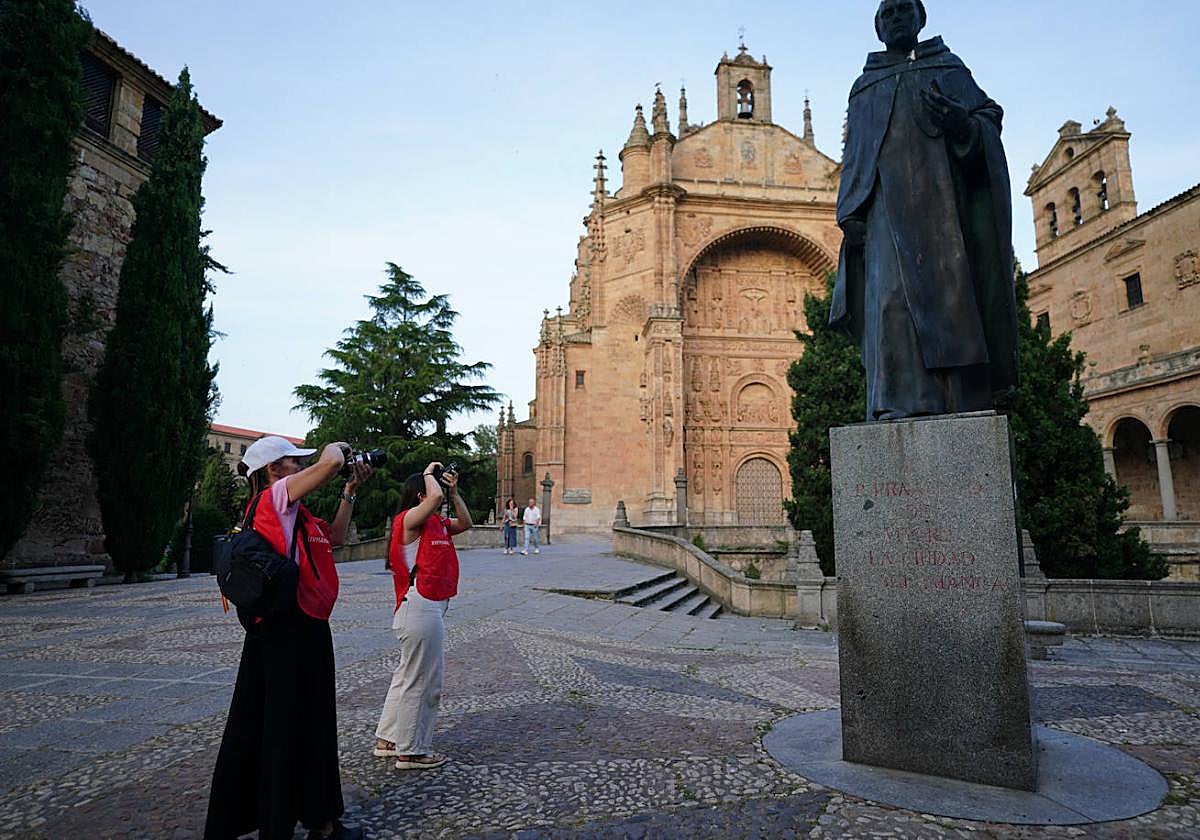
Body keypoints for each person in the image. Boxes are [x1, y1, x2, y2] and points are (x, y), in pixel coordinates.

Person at [830, 0, 1018, 421]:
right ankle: (898, 402)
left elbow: (987, 119)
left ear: (921, 18)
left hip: (943, 210)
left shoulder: (949, 69)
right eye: (888, 13)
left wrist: (962, 124)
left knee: (954, 302)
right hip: (883, 217)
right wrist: (850, 214)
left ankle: (961, 399)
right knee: (890, 307)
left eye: (904, 10)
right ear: (878, 28)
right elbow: (855, 156)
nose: (897, 18)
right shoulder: (865, 86)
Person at [205, 436, 371, 840]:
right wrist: (338, 450)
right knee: (287, 726)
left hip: (305, 626)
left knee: (306, 722)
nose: (299, 468)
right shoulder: (273, 499)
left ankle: (319, 818)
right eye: (293, 463)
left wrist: (349, 492)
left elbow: (335, 539)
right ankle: (293, 822)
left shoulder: (296, 512)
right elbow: (330, 462)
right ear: (273, 470)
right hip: (286, 628)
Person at [374, 462, 472, 770]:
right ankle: (412, 751)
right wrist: (430, 475)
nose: (439, 495)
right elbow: (432, 500)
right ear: (420, 494)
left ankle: (388, 740)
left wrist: (454, 492)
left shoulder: (438, 523)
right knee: (424, 680)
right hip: (419, 605)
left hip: (427, 607)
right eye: (433, 490)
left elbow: (466, 523)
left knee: (406, 676)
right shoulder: (408, 520)